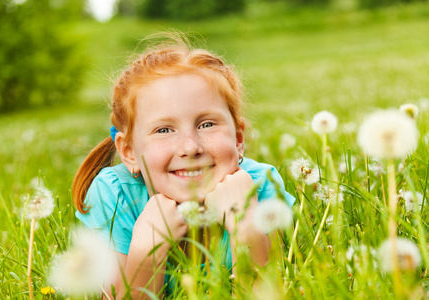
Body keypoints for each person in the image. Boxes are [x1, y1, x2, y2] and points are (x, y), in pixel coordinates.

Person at [72, 34, 294, 299]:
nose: (190, 147)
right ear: (129, 152)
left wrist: (246, 225)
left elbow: (265, 293)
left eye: (207, 124)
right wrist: (147, 250)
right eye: (164, 130)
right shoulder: (114, 196)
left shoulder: (261, 186)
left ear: (238, 139)